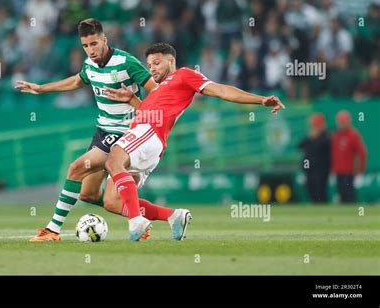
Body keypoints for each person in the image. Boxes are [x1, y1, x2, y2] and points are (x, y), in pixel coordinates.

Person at [15, 19, 187, 241]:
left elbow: (157, 94)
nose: (91, 50)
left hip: (124, 133)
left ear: (104, 39)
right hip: (102, 132)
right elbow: (77, 81)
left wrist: (140, 107)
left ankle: (52, 230)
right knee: (92, 195)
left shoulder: (126, 62)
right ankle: (168, 216)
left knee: (75, 168)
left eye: (94, 44)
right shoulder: (89, 64)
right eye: (86, 46)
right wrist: (42, 89)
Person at [103, 43, 285, 241]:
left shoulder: (184, 75)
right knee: (111, 201)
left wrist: (260, 100)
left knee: (113, 162)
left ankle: (137, 220)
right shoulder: (156, 91)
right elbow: (149, 113)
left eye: (156, 63)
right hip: (146, 139)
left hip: (148, 133)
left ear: (171, 61)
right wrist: (132, 99)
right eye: (149, 65)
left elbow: (222, 91)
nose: (152, 68)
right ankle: (174, 216)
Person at [331, 110, 367, 203]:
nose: (341, 124)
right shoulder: (335, 135)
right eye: (340, 122)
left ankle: (355, 215)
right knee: (341, 195)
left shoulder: (353, 135)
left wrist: (360, 170)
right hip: (338, 171)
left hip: (349, 172)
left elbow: (362, 153)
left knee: (349, 195)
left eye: (343, 122)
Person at [298, 113, 330, 203]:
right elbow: (300, 145)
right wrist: (310, 137)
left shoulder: (326, 136)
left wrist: (312, 138)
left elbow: (318, 147)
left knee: (320, 191)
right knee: (310, 189)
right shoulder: (311, 136)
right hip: (309, 168)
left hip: (321, 169)